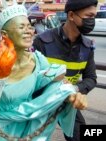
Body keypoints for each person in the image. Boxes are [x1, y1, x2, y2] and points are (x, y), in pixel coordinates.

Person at [0, 2, 88, 141]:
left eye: (29, 26)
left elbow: (54, 85)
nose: (29, 31)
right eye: (22, 27)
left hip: (30, 130)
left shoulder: (38, 61)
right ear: (4, 34)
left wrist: (70, 94)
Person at [33, 0, 98, 140]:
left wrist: (73, 89)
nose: (92, 21)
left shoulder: (88, 47)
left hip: (68, 102)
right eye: (89, 16)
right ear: (71, 15)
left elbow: (91, 79)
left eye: (94, 16)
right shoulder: (42, 41)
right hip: (41, 103)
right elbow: (31, 77)